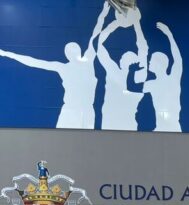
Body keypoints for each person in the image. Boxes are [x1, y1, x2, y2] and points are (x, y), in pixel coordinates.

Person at [0, 1, 109, 129]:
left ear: (79, 51)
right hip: (69, 111)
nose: (74, 52)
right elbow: (34, 62)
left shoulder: (88, 61)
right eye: (71, 50)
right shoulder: (64, 67)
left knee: (86, 144)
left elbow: (96, 33)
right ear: (67, 54)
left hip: (87, 111)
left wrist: (104, 13)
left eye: (75, 49)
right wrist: (7, 53)